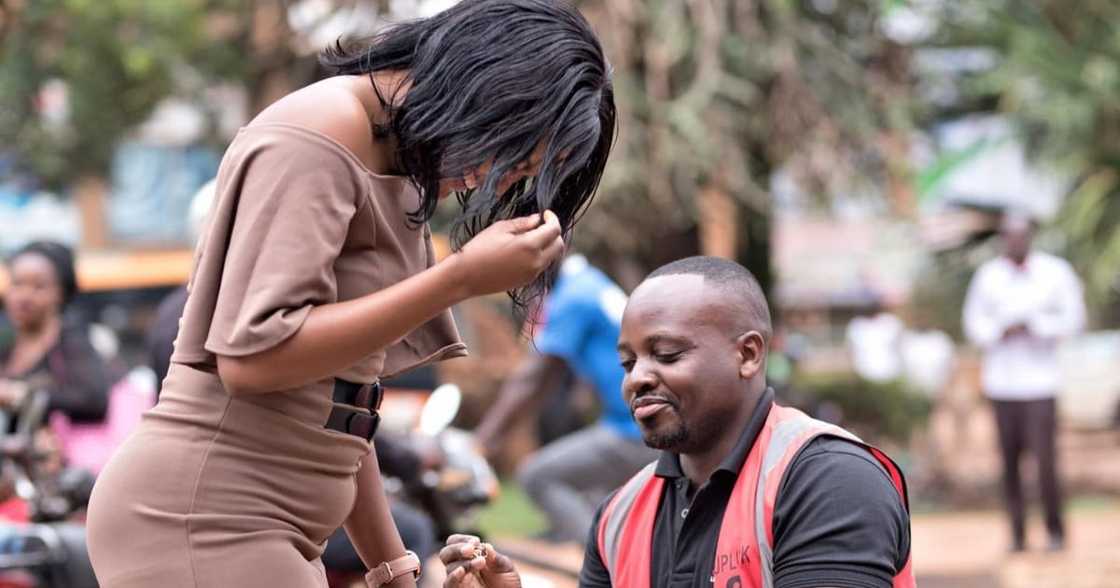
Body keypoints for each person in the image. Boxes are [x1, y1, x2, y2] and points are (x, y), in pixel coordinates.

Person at [85, 0, 616, 586]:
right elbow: (252, 358)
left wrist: (391, 565)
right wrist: (458, 278)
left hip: (271, 528)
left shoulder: (397, 164)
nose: (501, 180)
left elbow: (345, 403)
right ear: (485, 88)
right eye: (512, 154)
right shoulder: (320, 134)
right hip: (200, 516)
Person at [442, 257, 914, 588]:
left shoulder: (828, 482)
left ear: (747, 354)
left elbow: (533, 380)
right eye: (627, 364)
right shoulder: (617, 517)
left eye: (666, 355)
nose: (637, 380)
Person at [474, 255, 656, 543]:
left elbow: (534, 377)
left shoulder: (573, 297)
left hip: (633, 430)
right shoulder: (589, 282)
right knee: (591, 494)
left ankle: (601, 563)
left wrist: (481, 443)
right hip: (634, 421)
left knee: (537, 475)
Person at [963, 211, 1085, 552]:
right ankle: (1017, 534)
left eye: (1021, 235)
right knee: (1009, 462)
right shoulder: (988, 277)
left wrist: (1036, 326)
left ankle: (1055, 531)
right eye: (1009, 235)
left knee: (1046, 463)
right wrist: (1001, 329)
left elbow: (1074, 319)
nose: (1015, 241)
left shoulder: (1055, 272)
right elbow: (973, 324)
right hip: (1002, 383)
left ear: (1030, 236)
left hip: (1041, 383)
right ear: (1003, 238)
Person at [0, 241, 110, 428]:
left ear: (60, 293)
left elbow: (94, 401)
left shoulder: (71, 341)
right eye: (17, 284)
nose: (24, 296)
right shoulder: (6, 339)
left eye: (39, 286)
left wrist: (22, 395)